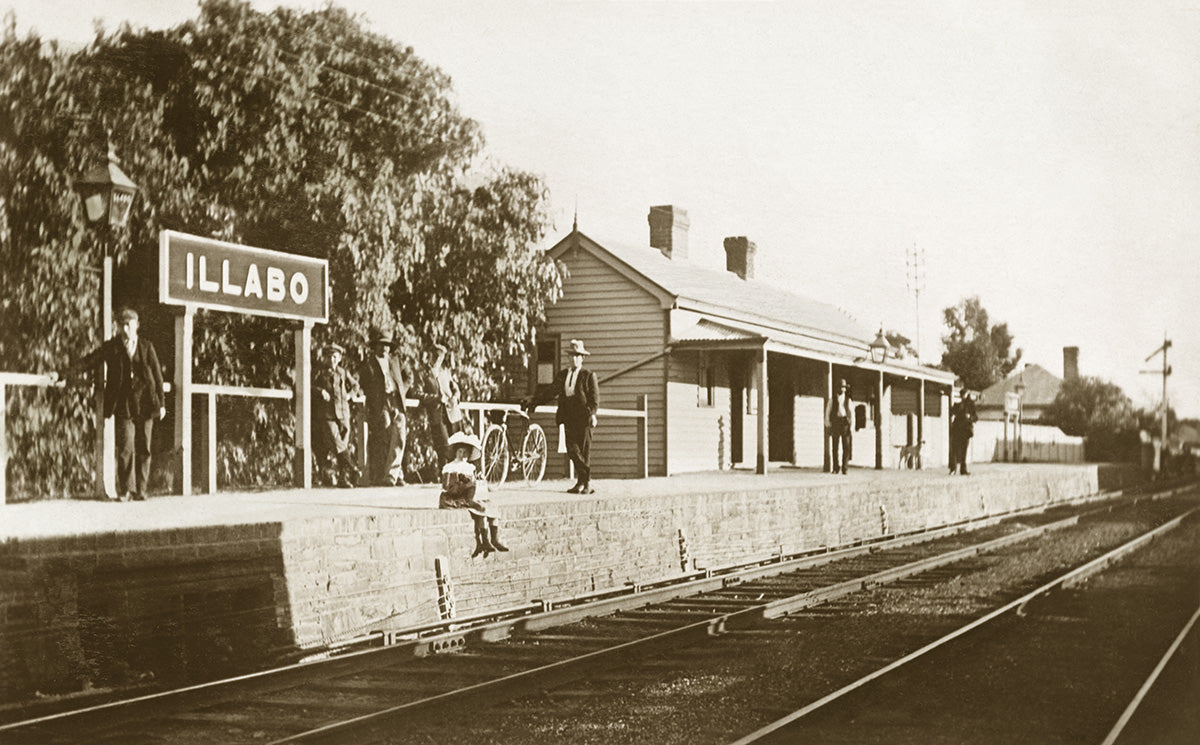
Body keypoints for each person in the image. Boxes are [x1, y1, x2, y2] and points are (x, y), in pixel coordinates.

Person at [57, 307, 166, 501]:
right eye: (121, 325)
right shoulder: (112, 347)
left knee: (144, 448)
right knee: (125, 448)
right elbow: (89, 361)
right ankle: (126, 490)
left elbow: (158, 377)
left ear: (136, 326)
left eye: (128, 325)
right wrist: (61, 374)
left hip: (146, 403)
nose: (125, 329)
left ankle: (140, 490)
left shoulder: (146, 347)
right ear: (117, 327)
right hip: (123, 404)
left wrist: (162, 404)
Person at [525, 339, 599, 494]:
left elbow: (594, 399)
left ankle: (584, 483)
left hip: (583, 417)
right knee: (572, 450)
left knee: (584, 451)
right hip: (568, 416)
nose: (574, 359)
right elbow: (551, 391)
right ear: (568, 358)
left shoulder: (588, 375)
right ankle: (585, 478)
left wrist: (592, 414)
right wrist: (535, 402)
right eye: (571, 356)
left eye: (577, 356)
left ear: (582, 358)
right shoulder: (563, 374)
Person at [439, 431, 508, 557]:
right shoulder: (450, 467)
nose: (463, 454)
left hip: (471, 495)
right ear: (455, 452)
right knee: (480, 509)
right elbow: (447, 487)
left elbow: (475, 483)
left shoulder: (470, 467)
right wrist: (462, 484)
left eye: (465, 452)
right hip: (457, 497)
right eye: (460, 451)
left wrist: (477, 480)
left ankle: (494, 538)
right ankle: (484, 541)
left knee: (491, 506)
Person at [359, 329, 408, 486]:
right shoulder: (369, 363)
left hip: (396, 400)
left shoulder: (394, 361)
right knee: (385, 435)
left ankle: (394, 473)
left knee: (400, 433)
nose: (384, 348)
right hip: (380, 403)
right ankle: (388, 475)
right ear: (376, 346)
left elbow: (409, 376)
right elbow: (363, 383)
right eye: (381, 345)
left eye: (387, 345)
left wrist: (402, 389)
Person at [314, 342, 360, 487]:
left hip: (343, 412)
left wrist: (351, 395)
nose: (331, 360)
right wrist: (320, 391)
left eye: (334, 357)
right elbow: (308, 385)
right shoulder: (320, 373)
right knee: (337, 443)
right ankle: (354, 467)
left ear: (339, 358)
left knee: (343, 445)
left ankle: (343, 479)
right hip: (328, 414)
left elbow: (355, 385)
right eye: (329, 357)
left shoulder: (343, 372)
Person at [421, 343, 466, 469]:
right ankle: (444, 474)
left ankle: (456, 475)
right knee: (444, 445)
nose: (437, 359)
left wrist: (455, 397)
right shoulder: (424, 374)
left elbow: (455, 389)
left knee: (457, 444)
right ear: (430, 356)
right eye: (435, 356)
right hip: (437, 413)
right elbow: (418, 394)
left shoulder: (445, 372)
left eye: (440, 357)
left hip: (452, 412)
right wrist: (435, 399)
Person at [825, 378, 853, 475]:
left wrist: (851, 425)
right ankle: (836, 467)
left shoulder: (848, 400)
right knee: (835, 446)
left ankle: (845, 468)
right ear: (837, 388)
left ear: (845, 389)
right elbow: (828, 411)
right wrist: (828, 423)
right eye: (841, 387)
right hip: (836, 422)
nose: (842, 389)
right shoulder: (832, 399)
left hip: (844, 423)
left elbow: (851, 412)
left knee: (846, 446)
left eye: (844, 387)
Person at [949, 389, 978, 475]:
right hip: (957, 429)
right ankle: (953, 469)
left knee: (963, 451)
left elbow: (975, 417)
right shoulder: (957, 404)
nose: (963, 396)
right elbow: (951, 412)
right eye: (962, 394)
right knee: (954, 449)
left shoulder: (971, 405)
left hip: (965, 430)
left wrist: (969, 417)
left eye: (964, 394)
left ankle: (962, 469)